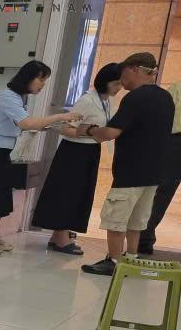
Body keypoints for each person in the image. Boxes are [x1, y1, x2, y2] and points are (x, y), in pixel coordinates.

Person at [0, 60, 82, 255]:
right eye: (41, 79)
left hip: (2, 152)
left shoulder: (20, 98)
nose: (43, 85)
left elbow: (29, 125)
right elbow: (26, 124)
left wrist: (55, 125)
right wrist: (59, 117)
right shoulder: (7, 97)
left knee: (1, 194)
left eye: (45, 81)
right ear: (28, 78)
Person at [80, 53, 176, 275]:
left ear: (134, 69)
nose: (121, 81)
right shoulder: (165, 97)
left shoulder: (135, 98)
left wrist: (90, 130)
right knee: (137, 219)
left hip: (131, 169)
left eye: (123, 74)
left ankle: (113, 261)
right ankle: (131, 258)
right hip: (154, 171)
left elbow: (111, 132)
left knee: (116, 217)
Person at [32, 63, 123, 255]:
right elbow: (63, 127)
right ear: (105, 81)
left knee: (79, 194)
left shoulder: (106, 101)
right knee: (67, 193)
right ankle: (61, 238)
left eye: (120, 83)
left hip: (91, 150)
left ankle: (57, 236)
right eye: (116, 83)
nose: (119, 87)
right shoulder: (87, 100)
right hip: (74, 151)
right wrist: (85, 132)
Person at [138, 80, 181, 255]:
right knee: (163, 190)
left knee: (162, 191)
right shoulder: (178, 86)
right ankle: (144, 236)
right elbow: (163, 112)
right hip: (176, 140)